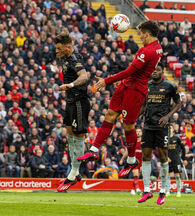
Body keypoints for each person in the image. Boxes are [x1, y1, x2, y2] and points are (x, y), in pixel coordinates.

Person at [78, 21, 163, 179]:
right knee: (110, 114)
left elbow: (131, 70)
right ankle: (94, 150)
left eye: (141, 34)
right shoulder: (157, 48)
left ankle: (131, 160)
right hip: (127, 85)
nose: (140, 37)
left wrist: (107, 80)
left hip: (136, 91)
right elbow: (136, 71)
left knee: (128, 125)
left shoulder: (148, 51)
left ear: (148, 34)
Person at [137, 65, 180, 205]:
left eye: (158, 70)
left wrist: (168, 116)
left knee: (163, 158)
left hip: (162, 126)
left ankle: (162, 191)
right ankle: (147, 190)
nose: (155, 72)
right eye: (153, 70)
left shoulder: (169, 86)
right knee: (146, 157)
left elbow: (178, 104)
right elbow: (144, 104)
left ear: (162, 72)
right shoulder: (146, 85)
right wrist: (138, 114)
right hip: (148, 126)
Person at [56, 32, 90, 192]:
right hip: (70, 102)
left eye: (59, 49)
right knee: (70, 136)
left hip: (79, 102)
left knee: (78, 136)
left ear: (68, 47)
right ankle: (74, 170)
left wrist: (70, 85)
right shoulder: (66, 60)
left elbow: (84, 76)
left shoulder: (75, 60)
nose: (57, 51)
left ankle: (73, 173)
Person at [166, 129, 185, 197]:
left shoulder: (177, 138)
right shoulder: (165, 138)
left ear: (173, 130)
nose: (169, 129)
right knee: (167, 176)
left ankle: (179, 191)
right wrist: (166, 157)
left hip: (176, 160)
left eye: (170, 128)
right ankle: (167, 191)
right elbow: (162, 149)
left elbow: (183, 148)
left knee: (177, 176)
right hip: (168, 160)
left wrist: (184, 158)